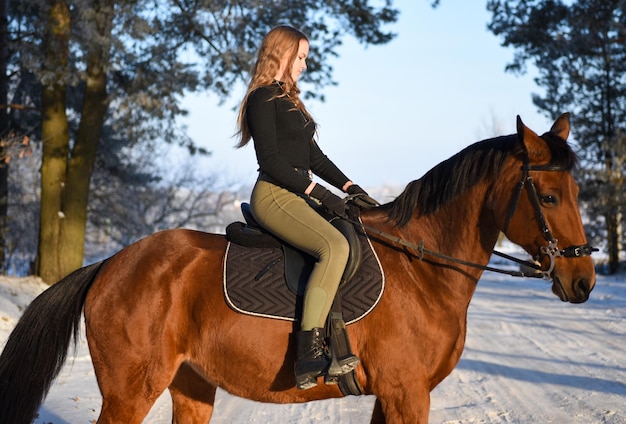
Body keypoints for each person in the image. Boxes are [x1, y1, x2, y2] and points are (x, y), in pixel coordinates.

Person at [235, 25, 376, 390]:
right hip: (274, 193)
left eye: (306, 59)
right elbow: (271, 162)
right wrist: (320, 193)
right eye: (300, 58)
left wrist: (349, 187)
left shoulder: (290, 101)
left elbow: (315, 157)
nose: (304, 66)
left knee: (352, 235)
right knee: (334, 246)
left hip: (298, 192)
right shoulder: (262, 99)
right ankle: (308, 351)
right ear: (279, 54)